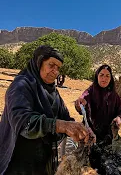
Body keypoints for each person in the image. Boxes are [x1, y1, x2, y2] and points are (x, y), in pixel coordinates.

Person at [0, 45, 93, 175]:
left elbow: (65, 119)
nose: (55, 71)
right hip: (18, 161)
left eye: (58, 68)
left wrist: (81, 129)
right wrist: (59, 125)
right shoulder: (21, 86)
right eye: (51, 65)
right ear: (39, 62)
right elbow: (23, 123)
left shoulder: (53, 93)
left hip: (43, 160)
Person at [75, 64, 121, 145]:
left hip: (108, 136)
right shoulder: (90, 92)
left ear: (110, 78)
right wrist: (80, 102)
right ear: (97, 76)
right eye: (101, 75)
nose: (104, 78)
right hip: (90, 134)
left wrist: (119, 118)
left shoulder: (113, 95)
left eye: (107, 76)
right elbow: (82, 100)